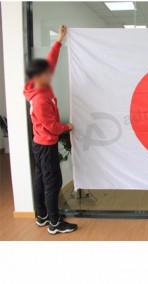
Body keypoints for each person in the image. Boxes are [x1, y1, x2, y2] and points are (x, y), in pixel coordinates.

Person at [24, 25, 78, 235]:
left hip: (39, 143)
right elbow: (52, 126)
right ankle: (55, 223)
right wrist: (68, 127)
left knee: (41, 179)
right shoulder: (41, 99)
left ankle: (42, 216)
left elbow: (51, 61)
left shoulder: (37, 85)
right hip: (46, 145)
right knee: (52, 182)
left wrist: (59, 40)